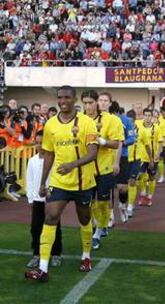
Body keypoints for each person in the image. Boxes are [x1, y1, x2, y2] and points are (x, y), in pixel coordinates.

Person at [25, 85, 98, 282]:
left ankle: (86, 256)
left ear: (74, 99)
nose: (63, 101)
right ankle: (43, 268)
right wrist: (42, 182)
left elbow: (93, 153)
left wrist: (72, 165)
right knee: (50, 217)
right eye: (60, 98)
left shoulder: (87, 123)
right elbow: (49, 154)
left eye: (67, 97)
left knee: (84, 220)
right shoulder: (50, 125)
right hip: (59, 182)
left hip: (83, 182)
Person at [81, 90, 124, 250]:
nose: (88, 106)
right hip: (86, 168)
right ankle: (96, 227)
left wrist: (103, 141)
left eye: (91, 102)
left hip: (105, 167)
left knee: (102, 202)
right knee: (88, 203)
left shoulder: (112, 120)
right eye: (85, 103)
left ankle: (98, 232)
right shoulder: (80, 120)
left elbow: (117, 143)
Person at [26, 131, 63, 269]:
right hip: (37, 200)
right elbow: (29, 180)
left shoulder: (53, 161)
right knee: (35, 228)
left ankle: (56, 253)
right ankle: (37, 254)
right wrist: (31, 198)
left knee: (54, 227)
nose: (40, 145)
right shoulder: (32, 161)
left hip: (52, 200)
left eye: (42, 143)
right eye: (37, 142)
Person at [97, 92, 123, 228]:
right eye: (100, 100)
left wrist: (116, 162)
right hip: (92, 163)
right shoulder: (90, 118)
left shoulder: (115, 120)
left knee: (108, 191)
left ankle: (110, 214)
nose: (102, 103)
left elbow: (119, 143)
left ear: (110, 103)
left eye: (105, 100)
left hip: (108, 162)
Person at [109, 100, 136, 223]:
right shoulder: (102, 121)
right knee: (108, 188)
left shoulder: (126, 121)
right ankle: (110, 216)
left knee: (122, 188)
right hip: (106, 157)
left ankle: (122, 205)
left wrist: (122, 143)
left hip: (123, 157)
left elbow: (132, 138)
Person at [136, 108, 163, 206]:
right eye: (145, 115)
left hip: (153, 157)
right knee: (139, 176)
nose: (147, 117)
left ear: (152, 117)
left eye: (149, 115)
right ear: (143, 116)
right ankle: (143, 193)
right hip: (141, 157)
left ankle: (149, 197)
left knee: (151, 177)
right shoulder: (138, 127)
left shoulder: (157, 128)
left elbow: (160, 142)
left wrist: (158, 154)